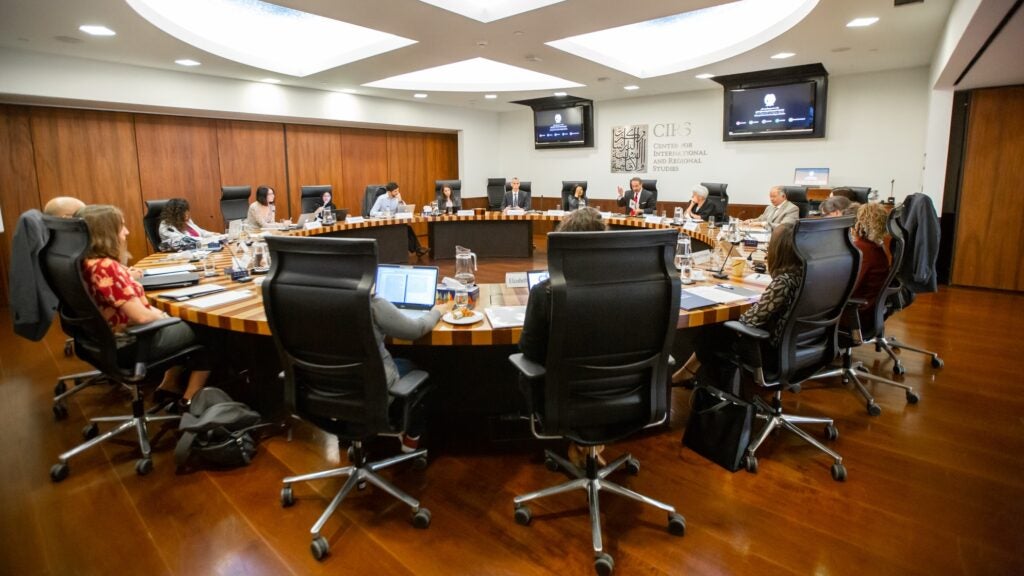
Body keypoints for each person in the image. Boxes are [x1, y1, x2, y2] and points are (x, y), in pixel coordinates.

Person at [77, 205, 210, 405]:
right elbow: (141, 317)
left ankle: (169, 384)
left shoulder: (85, 262)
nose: (127, 232)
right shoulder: (106, 268)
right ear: (106, 233)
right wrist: (167, 317)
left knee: (183, 321)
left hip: (103, 342)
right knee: (208, 330)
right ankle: (189, 400)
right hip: (132, 342)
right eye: (122, 227)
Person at [519, 207, 608, 468]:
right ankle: (589, 441)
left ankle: (581, 441)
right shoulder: (634, 288)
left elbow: (529, 350)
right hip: (624, 396)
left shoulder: (545, 292)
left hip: (563, 398)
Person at [673, 223, 803, 388]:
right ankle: (688, 372)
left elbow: (749, 321)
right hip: (796, 347)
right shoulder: (804, 274)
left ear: (777, 251)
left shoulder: (782, 282)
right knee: (718, 328)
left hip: (768, 351)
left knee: (716, 327)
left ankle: (688, 374)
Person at [371, 287, 452, 452]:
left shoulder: (309, 298)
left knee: (402, 362)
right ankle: (412, 437)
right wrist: (437, 311)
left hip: (326, 394)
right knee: (424, 369)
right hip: (375, 389)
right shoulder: (372, 304)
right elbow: (416, 330)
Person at [850, 203, 891, 311]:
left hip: (858, 312)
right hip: (872, 308)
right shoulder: (878, 246)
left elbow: (850, 288)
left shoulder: (862, 250)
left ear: (859, 223)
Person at [370, 182, 429, 256]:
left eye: (398, 190)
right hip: (385, 224)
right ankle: (417, 250)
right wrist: (383, 214)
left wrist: (400, 201)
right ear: (389, 192)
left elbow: (405, 210)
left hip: (395, 223)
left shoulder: (397, 198)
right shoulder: (381, 199)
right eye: (395, 191)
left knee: (407, 228)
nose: (397, 193)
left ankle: (418, 249)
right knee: (405, 229)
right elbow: (372, 212)